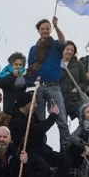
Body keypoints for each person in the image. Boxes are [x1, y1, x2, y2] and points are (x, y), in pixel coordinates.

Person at [7, 90, 73, 177]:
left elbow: (40, 126)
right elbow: (38, 129)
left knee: (65, 160)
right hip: (27, 152)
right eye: (34, 103)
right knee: (43, 168)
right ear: (26, 104)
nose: (36, 106)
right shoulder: (17, 120)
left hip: (41, 149)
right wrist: (53, 116)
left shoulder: (31, 115)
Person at [26, 17, 70, 150]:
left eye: (47, 28)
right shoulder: (33, 49)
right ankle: (42, 149)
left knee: (61, 119)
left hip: (53, 87)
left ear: (50, 30)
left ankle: (66, 150)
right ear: (38, 31)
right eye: (42, 29)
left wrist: (57, 26)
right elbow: (30, 68)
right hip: (39, 87)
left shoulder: (55, 45)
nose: (45, 31)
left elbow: (64, 42)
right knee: (40, 120)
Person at [59, 41, 88, 121]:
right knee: (63, 125)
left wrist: (77, 88)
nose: (70, 52)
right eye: (67, 49)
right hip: (60, 101)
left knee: (85, 118)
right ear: (62, 50)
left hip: (75, 101)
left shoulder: (78, 64)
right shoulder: (55, 64)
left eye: (72, 50)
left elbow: (84, 82)